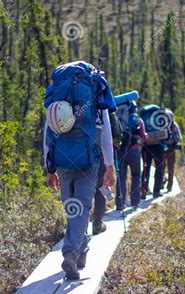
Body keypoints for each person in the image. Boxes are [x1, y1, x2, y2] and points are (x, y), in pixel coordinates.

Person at [44, 61, 116, 280]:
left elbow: (48, 132)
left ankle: (80, 251)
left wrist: (49, 168)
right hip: (88, 160)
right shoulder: (95, 93)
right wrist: (110, 166)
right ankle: (71, 253)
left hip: (63, 159)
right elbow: (106, 134)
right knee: (81, 207)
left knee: (71, 207)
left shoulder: (57, 99)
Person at [115, 101, 147, 210]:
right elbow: (144, 136)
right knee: (136, 175)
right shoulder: (138, 120)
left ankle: (120, 204)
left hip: (120, 151)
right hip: (134, 151)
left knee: (121, 177)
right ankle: (134, 202)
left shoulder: (117, 119)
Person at [140, 104, 168, 199]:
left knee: (145, 168)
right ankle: (156, 191)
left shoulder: (143, 117)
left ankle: (143, 190)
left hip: (146, 147)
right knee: (159, 168)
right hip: (158, 146)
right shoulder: (160, 117)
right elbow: (166, 132)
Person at [162, 109, 182, 192]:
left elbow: (179, 137)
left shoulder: (160, 125)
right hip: (169, 149)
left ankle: (166, 184)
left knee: (163, 167)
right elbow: (179, 137)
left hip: (167, 149)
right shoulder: (174, 125)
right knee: (169, 167)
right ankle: (167, 184)